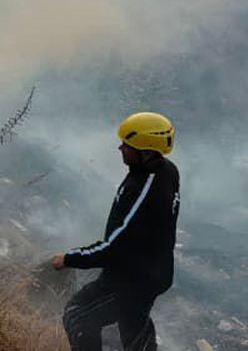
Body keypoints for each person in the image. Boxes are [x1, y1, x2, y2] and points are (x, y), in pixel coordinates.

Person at [51, 112, 180, 351]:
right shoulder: (166, 170)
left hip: (131, 280)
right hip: (151, 271)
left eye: (127, 145)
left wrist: (69, 258)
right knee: (134, 331)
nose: (121, 148)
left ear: (146, 151)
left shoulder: (144, 190)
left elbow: (116, 247)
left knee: (78, 315)